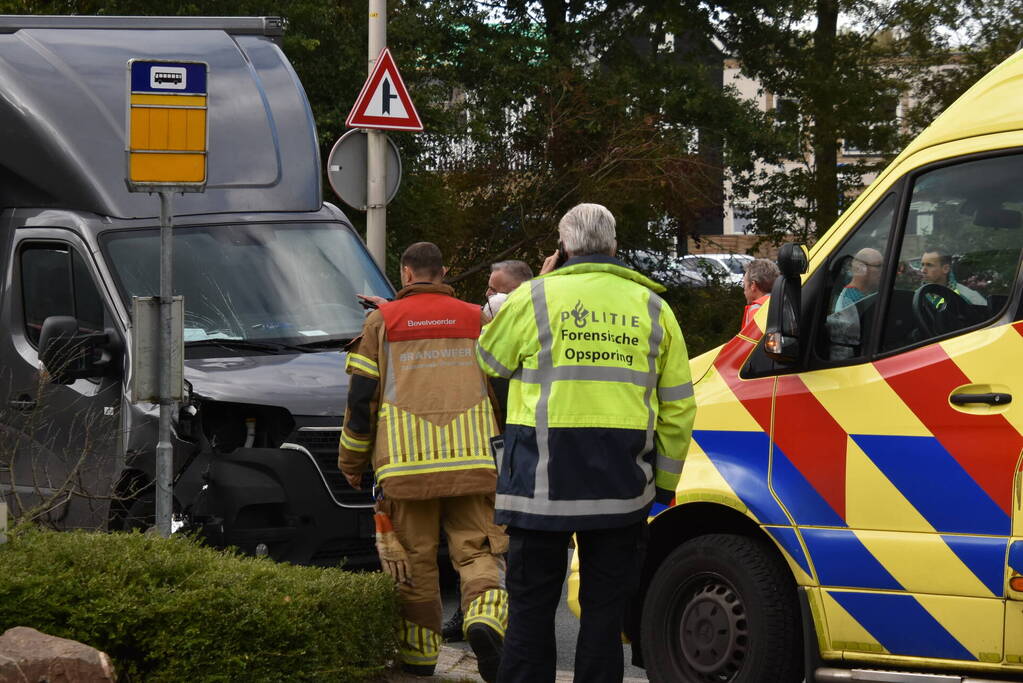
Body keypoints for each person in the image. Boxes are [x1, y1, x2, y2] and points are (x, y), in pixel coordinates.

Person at [476, 203, 697, 683]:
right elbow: (679, 407)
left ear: (563, 246)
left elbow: (489, 359)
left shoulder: (534, 297)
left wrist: (540, 281)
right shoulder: (655, 308)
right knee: (604, 614)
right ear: (614, 246)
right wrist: (662, 484)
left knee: (531, 611)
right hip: (621, 489)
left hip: (538, 486)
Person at [338, 242, 508, 681]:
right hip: (474, 461)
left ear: (406, 274)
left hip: (404, 468)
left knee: (413, 562)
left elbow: (361, 402)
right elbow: (505, 390)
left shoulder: (381, 322)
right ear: (444, 271)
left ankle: (419, 657)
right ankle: (485, 617)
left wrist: (352, 461)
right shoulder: (479, 319)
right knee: (478, 550)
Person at [443, 258, 534, 644]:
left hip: (515, 444)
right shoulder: (482, 325)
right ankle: (475, 612)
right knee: (484, 534)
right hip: (490, 445)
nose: (489, 297)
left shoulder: (527, 325)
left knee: (502, 537)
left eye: (496, 290)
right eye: (488, 290)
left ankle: (498, 616)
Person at [919, 245, 986, 306]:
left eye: (929, 265)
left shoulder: (970, 298)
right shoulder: (917, 297)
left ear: (946, 269)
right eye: (922, 265)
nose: (923, 270)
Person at [834, 247, 883, 311]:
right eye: (878, 266)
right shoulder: (853, 301)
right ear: (861, 268)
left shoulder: (859, 294)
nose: (882, 270)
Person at [741, 258, 779, 328]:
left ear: (753, 285)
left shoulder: (757, 310)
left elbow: (750, 338)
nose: (744, 291)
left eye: (744, 285)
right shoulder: (782, 304)